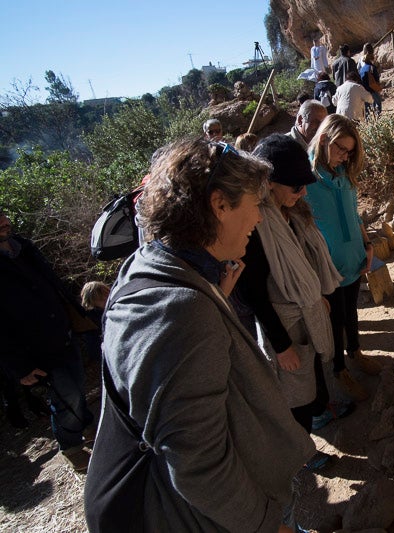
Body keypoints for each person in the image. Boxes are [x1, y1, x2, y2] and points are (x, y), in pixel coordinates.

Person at [84, 138, 315, 532]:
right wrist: (263, 524)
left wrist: (215, 297)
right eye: (254, 204)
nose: (259, 218)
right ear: (219, 204)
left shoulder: (153, 264)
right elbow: (198, 464)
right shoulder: (179, 310)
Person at [235, 134, 346, 470]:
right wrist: (281, 346)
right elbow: (251, 293)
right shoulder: (256, 226)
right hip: (282, 326)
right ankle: (302, 453)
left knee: (311, 377)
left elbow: (303, 261)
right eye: (295, 186)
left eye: (304, 185)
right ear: (268, 184)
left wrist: (318, 297)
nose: (303, 192)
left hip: (304, 314)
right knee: (293, 395)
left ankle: (317, 416)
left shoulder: (290, 212)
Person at [0, 208, 94, 471]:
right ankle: (71, 446)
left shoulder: (24, 248)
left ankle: (85, 424)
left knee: (76, 386)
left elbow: (52, 283)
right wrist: (19, 366)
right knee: (66, 395)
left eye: (2, 216)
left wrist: (75, 314)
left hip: (61, 331)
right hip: (35, 347)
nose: (4, 222)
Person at [305, 115, 383, 401]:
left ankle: (356, 351)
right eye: (341, 149)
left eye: (349, 152)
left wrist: (367, 243)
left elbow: (354, 213)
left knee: (351, 309)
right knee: (334, 319)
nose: (344, 156)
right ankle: (339, 369)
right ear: (324, 139)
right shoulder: (305, 177)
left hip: (353, 258)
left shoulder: (344, 176)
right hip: (326, 267)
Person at [358, 44, 383, 118]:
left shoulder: (362, 69)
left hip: (365, 90)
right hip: (373, 89)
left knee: (367, 106)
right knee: (377, 103)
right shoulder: (372, 67)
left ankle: (368, 120)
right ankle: (377, 117)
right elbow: (376, 78)